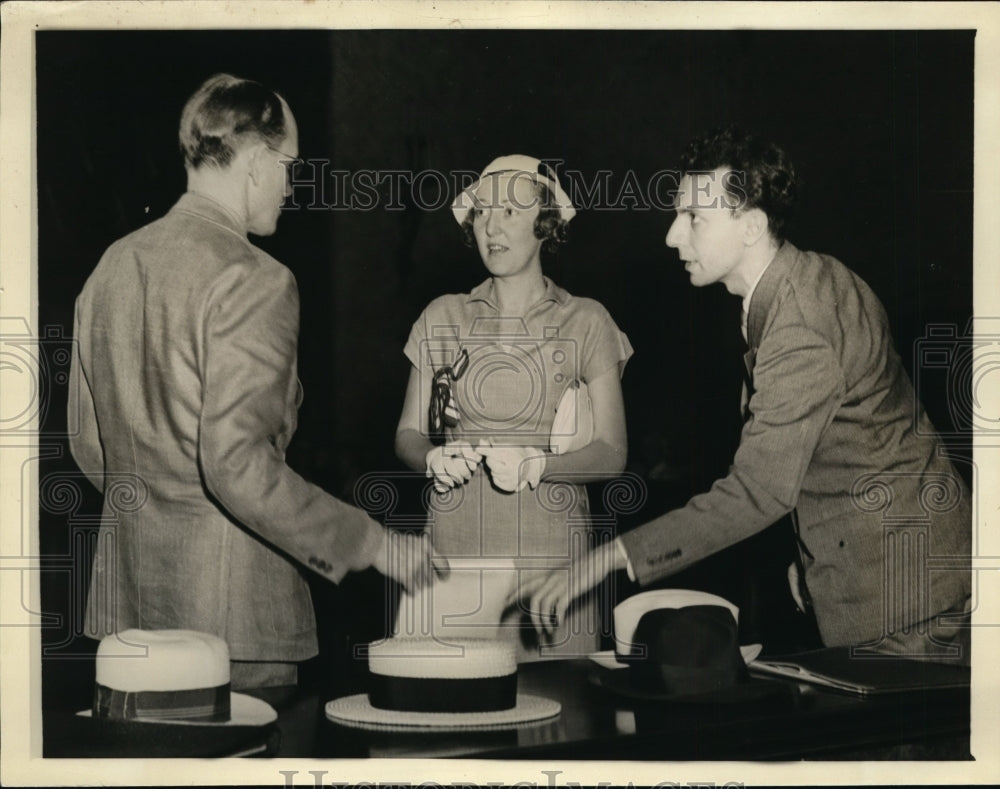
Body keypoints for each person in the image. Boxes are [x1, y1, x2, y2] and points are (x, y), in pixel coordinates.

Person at [524, 129, 972, 664]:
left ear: (752, 227)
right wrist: (813, 557)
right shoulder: (806, 281)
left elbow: (759, 491)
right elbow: (851, 438)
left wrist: (601, 561)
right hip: (906, 574)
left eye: (694, 217)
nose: (672, 236)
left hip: (905, 602)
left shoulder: (799, 321)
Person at [68, 74, 440, 690]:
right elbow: (236, 463)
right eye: (291, 166)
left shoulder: (112, 265)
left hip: (126, 617)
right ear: (259, 161)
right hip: (234, 625)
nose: (292, 186)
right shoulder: (255, 277)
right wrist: (374, 544)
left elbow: (88, 444)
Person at [394, 155, 633, 660]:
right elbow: (408, 435)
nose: (491, 227)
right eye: (482, 213)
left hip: (551, 572)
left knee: (558, 725)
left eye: (510, 212)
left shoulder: (587, 321)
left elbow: (612, 453)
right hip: (453, 561)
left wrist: (538, 465)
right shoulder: (443, 315)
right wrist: (431, 457)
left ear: (545, 222)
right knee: (452, 723)